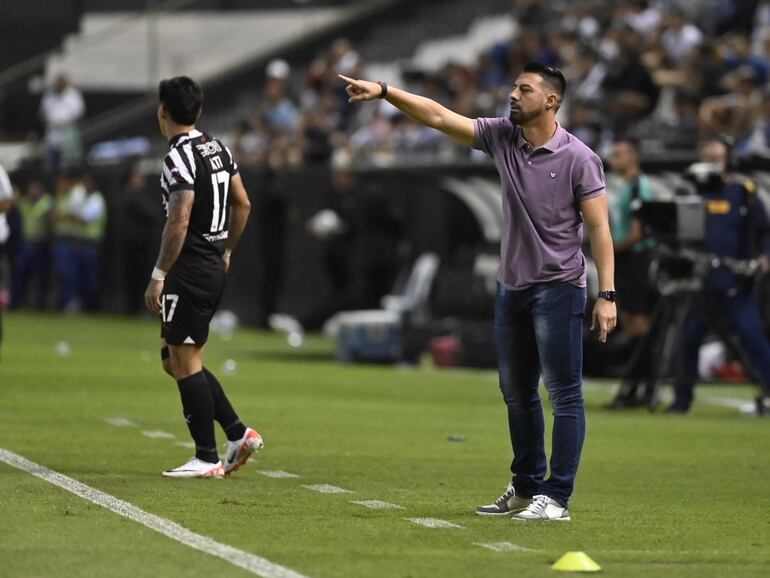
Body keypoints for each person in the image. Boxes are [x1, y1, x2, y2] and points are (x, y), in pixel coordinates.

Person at [340, 62, 617, 521]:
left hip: (560, 289)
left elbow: (601, 228)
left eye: (523, 89)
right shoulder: (502, 136)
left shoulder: (580, 158)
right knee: (516, 392)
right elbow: (439, 116)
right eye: (513, 85)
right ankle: (528, 487)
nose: (512, 94)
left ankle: (558, 497)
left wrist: (607, 295)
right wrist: (386, 91)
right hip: (512, 289)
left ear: (551, 101)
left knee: (564, 394)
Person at [145, 76, 262, 478]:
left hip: (190, 268)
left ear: (163, 111)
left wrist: (159, 274)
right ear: (198, 110)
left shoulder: (179, 155)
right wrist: (225, 249)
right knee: (172, 358)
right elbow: (243, 203)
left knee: (186, 360)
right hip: (210, 263)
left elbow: (178, 219)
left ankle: (206, 456)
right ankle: (236, 431)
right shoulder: (218, 147)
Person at [669, 138, 770, 416]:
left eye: (717, 154)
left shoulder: (744, 191)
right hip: (702, 283)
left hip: (736, 283)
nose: (712, 157)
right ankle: (682, 401)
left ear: (729, 158)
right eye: (707, 153)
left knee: (753, 339)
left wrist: (764, 257)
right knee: (688, 341)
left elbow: (764, 231)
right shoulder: (693, 192)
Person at [607, 140, 654, 345]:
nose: (612, 160)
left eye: (618, 155)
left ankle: (644, 364)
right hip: (626, 257)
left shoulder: (637, 186)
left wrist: (611, 250)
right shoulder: (626, 186)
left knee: (637, 314)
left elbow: (638, 232)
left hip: (635, 256)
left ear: (632, 157)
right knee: (626, 312)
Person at [11, 178, 52, 310]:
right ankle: (16, 303)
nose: (32, 191)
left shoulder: (46, 201)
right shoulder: (25, 202)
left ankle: (41, 305)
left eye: (35, 188)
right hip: (26, 243)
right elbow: (14, 202)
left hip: (40, 243)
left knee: (41, 276)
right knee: (21, 275)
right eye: (30, 188)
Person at [40, 74, 85, 175]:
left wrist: (66, 123)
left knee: (66, 167)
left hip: (67, 134)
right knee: (51, 167)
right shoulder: (49, 95)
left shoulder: (73, 95)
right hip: (52, 135)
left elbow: (79, 114)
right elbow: (43, 115)